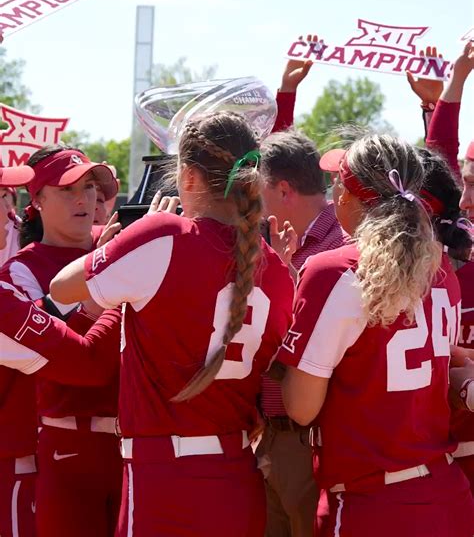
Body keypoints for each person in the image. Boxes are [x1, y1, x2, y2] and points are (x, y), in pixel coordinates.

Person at [50, 111, 294, 537]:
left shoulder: (164, 234)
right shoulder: (274, 268)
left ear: (190, 177)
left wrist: (135, 235)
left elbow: (62, 287)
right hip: (238, 476)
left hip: (162, 479)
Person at [277, 132, 474, 537]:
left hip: (373, 502)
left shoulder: (333, 271)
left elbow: (300, 407)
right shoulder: (441, 272)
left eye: (337, 181)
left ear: (350, 195)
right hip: (446, 495)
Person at [4, 145, 122, 537]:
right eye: (67, 189)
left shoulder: (123, 246)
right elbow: (72, 357)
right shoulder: (21, 270)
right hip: (62, 446)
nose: (83, 199)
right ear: (37, 200)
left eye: (89, 187)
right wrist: (101, 277)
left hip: (137, 445)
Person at [256, 129, 345, 537]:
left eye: (257, 187)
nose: (251, 199)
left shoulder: (343, 244)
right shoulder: (271, 241)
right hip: (270, 434)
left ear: (283, 190)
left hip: (314, 439)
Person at [408, 41, 474, 490]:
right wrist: (452, 88)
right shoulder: (447, 255)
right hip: (440, 458)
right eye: (463, 187)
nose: (464, 201)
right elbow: (440, 168)